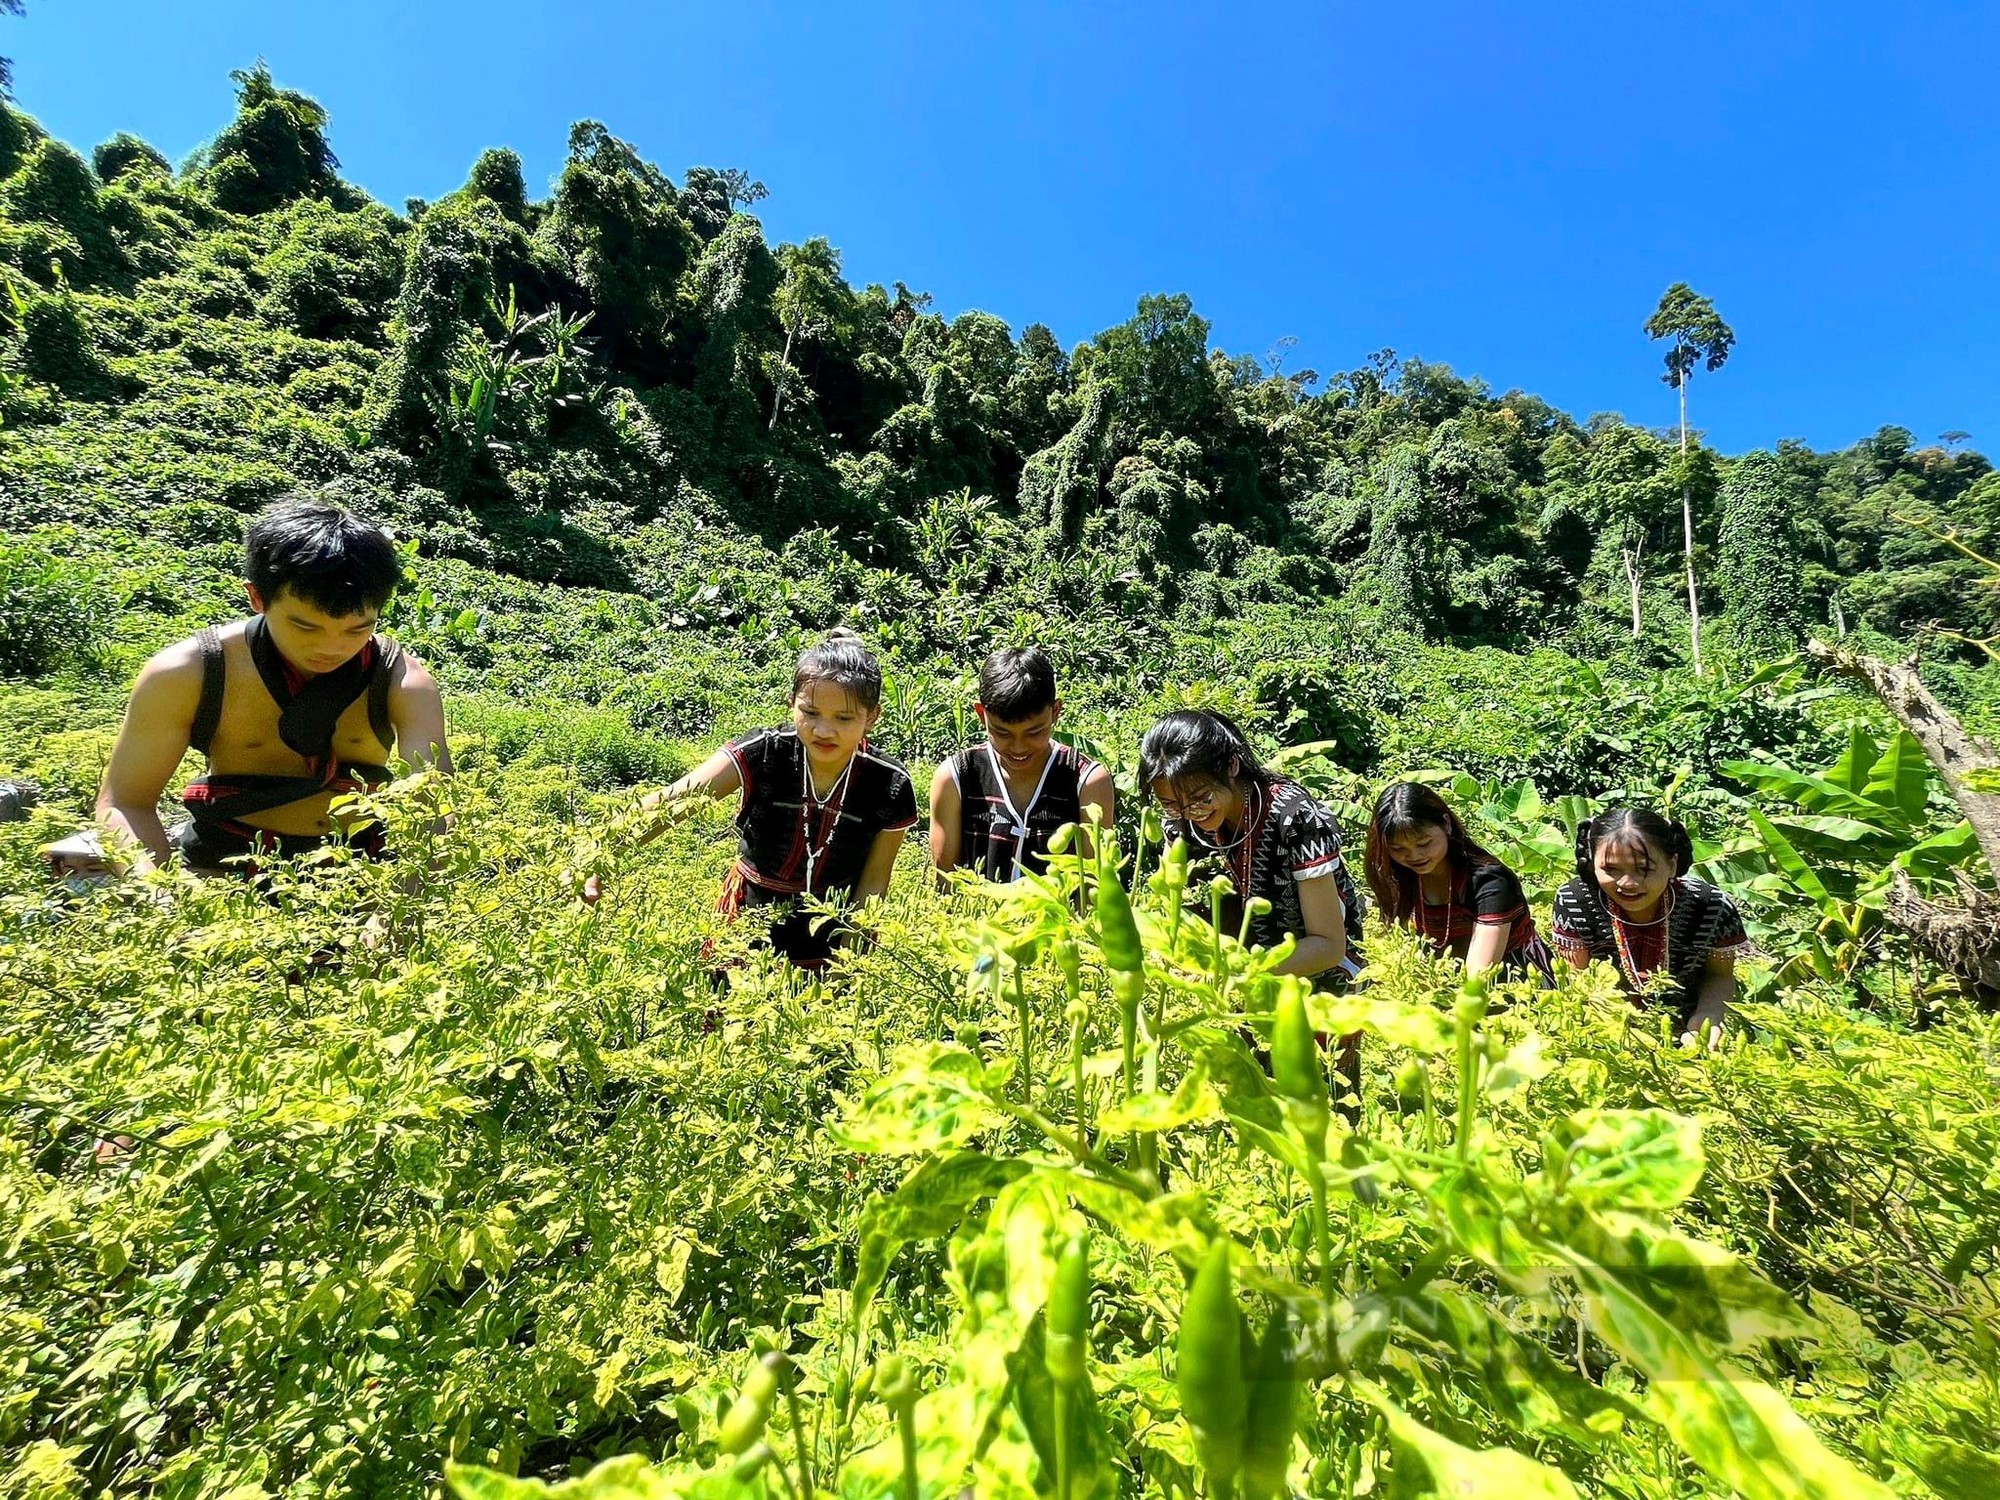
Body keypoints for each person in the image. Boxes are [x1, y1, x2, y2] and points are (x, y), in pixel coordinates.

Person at [76, 491, 449, 879]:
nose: (331, 647)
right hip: (223, 859)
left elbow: (434, 812)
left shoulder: (403, 682)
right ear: (257, 597)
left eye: (358, 629)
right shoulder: (187, 672)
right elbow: (125, 802)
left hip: (358, 866)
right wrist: (161, 894)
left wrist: (401, 911)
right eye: (305, 626)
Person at [605, 629, 918, 972]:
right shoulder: (765, 752)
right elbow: (676, 801)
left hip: (830, 930)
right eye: (810, 712)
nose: (823, 730)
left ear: (871, 716)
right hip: (747, 917)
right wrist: (598, 855)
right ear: (792, 703)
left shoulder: (889, 782)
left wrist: (849, 965)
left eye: (843, 718)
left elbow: (874, 883)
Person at [1138, 710, 1365, 1105]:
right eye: (1174, 805)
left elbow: (1330, 944)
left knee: (1327, 1104)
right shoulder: (1184, 823)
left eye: (1201, 798)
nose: (1192, 814)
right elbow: (1188, 915)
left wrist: (1235, 970)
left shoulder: (1295, 819)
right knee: (1255, 1100)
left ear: (1232, 765)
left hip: (1321, 980)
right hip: (1243, 983)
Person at [1549, 806, 1751, 1046]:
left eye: (1644, 869)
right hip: (1608, 1029)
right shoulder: (1574, 901)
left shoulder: (1711, 906)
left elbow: (1719, 976)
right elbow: (1577, 982)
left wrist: (1708, 1016)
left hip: (1689, 1029)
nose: (1628, 883)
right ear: (1591, 862)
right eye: (1611, 869)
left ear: (1673, 864)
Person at [930, 646, 1115, 883]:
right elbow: (946, 880)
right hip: (976, 918)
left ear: (1056, 711)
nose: (1018, 748)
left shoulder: (1086, 781)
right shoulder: (956, 777)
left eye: (1034, 732)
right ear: (981, 714)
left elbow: (1093, 882)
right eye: (1002, 733)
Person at [1363, 781, 1554, 981]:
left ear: (1446, 824)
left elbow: (1478, 975)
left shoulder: (1489, 882)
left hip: (1517, 984)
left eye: (1424, 843)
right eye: (1398, 849)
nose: (1414, 856)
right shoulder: (1399, 876)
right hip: (1443, 981)